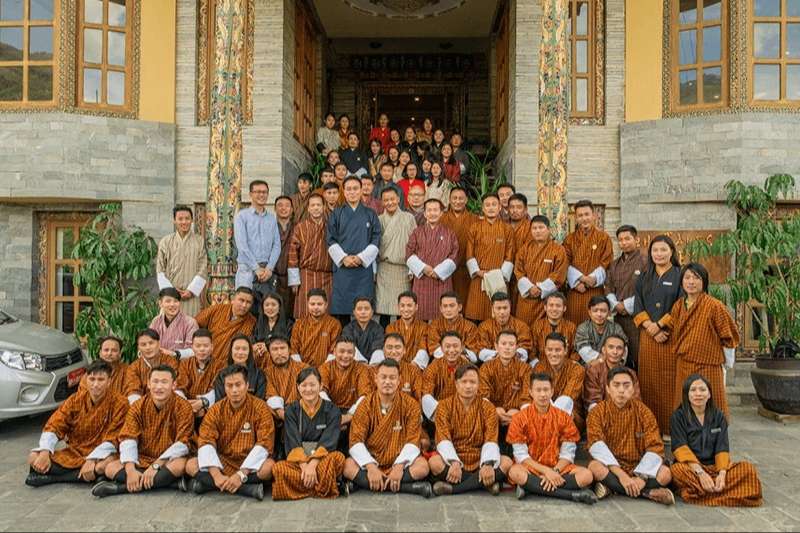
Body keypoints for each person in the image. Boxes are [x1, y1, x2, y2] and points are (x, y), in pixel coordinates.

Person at [92, 365, 193, 498]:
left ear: (173, 385)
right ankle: (170, 483)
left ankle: (120, 488)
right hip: (143, 456)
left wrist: (155, 466)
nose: (159, 387)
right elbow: (128, 438)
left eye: (164, 382)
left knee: (180, 465)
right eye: (155, 382)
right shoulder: (137, 406)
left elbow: (183, 443)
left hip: (167, 460)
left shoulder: (183, 407)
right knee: (110, 468)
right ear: (148, 384)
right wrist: (130, 470)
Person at [26, 360, 128, 487]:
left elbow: (114, 439)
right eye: (92, 379)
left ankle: (53, 478)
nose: (96, 384)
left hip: (103, 454)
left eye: (101, 380)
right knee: (33, 457)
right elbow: (55, 424)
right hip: (75, 452)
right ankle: (89, 477)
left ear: (109, 381)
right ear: (86, 379)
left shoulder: (121, 403)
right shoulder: (75, 400)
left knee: (104, 466)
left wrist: (92, 459)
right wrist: (45, 451)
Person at [343, 359, 433, 498]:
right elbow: (356, 440)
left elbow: (413, 440)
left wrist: (399, 466)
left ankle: (364, 484)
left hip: (399, 458)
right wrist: (371, 467)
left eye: (392, 378)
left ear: (399, 380)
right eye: (383, 377)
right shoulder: (365, 405)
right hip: (372, 458)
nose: (387, 382)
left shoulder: (411, 405)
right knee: (347, 465)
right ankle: (408, 488)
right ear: (376, 379)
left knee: (422, 466)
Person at [670, 374, 762, 507]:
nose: (698, 394)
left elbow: (722, 447)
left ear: (709, 394)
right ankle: (727, 494)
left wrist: (722, 474)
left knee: (748, 470)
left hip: (715, 467)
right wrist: (701, 473)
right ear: (687, 395)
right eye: (693, 390)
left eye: (702, 390)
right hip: (691, 468)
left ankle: (702, 493)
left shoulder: (718, 416)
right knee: (677, 471)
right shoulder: (678, 417)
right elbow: (680, 448)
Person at [586, 367, 675, 505]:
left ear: (633, 389)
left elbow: (655, 447)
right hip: (612, 468)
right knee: (595, 467)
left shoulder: (644, 412)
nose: (621, 390)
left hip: (639, 466)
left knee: (666, 474)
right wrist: (622, 476)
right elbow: (596, 444)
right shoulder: (597, 412)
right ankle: (647, 493)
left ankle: (614, 489)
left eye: (626, 385)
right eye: (616, 385)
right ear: (608, 389)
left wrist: (642, 478)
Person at [185, 364, 275, 500]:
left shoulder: (260, 408)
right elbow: (205, 441)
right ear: (224, 387)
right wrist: (216, 475)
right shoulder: (216, 410)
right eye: (229, 385)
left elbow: (265, 443)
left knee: (269, 467)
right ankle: (246, 489)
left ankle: (209, 485)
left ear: (247, 385)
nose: (234, 390)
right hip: (223, 460)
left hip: (249, 462)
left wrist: (241, 474)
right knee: (190, 465)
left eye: (238, 385)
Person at [507, 373, 597, 504]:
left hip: (558, 467)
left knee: (586, 476)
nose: (543, 394)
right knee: (514, 472)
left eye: (546, 390)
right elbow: (521, 456)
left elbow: (567, 454)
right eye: (538, 390)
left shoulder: (563, 417)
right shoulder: (519, 418)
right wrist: (546, 472)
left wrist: (554, 471)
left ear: (552, 391)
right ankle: (570, 495)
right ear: (531, 392)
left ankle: (531, 487)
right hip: (531, 467)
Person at [667, 263, 739, 418]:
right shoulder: (678, 306)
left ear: (704, 282)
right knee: (684, 403)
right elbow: (673, 331)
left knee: (712, 404)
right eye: (687, 278)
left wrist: (727, 363)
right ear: (681, 282)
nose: (691, 282)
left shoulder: (715, 306)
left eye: (696, 278)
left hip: (708, 365)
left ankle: (716, 432)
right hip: (684, 364)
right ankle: (684, 432)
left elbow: (728, 336)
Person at [429, 364, 511, 496]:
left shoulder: (488, 407)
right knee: (434, 463)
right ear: (456, 384)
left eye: (472, 382)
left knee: (507, 462)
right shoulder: (444, 406)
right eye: (464, 382)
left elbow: (491, 438)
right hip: (455, 455)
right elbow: (443, 438)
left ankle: (454, 489)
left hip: (479, 457)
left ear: (478, 385)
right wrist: (454, 462)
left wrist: (487, 464)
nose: (468, 386)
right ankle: (486, 484)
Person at [272, 367, 347, 500]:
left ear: (320, 386)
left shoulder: (332, 410)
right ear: (298, 387)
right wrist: (305, 466)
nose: (308, 389)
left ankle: (304, 487)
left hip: (322, 460)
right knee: (278, 469)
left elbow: (329, 440)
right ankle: (326, 486)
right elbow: (292, 440)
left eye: (312, 385)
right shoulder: (291, 410)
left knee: (337, 458)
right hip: (300, 462)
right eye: (304, 385)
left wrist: (313, 464)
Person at [634, 235, 683, 433]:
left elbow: (681, 306)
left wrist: (661, 325)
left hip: (670, 337)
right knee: (648, 383)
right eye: (655, 250)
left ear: (672, 252)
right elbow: (638, 304)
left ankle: (671, 429)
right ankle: (650, 429)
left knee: (670, 383)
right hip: (648, 338)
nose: (659, 254)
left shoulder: (680, 275)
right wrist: (650, 327)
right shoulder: (644, 276)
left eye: (663, 250)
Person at [327, 176, 382, 323]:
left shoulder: (370, 214)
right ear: (344, 192)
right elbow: (330, 239)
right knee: (343, 311)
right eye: (349, 189)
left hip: (363, 269)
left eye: (355, 188)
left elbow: (376, 238)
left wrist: (361, 258)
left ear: (361, 190)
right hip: (343, 269)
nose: (352, 192)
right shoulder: (336, 213)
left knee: (364, 309)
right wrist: (343, 258)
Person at [405, 198, 459, 321]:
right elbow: (409, 252)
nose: (432, 213)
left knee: (442, 315)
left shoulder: (449, 233)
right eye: (429, 210)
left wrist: (439, 271)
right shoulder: (417, 232)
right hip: (422, 279)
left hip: (442, 279)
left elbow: (455, 254)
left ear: (441, 213)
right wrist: (424, 268)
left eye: (435, 210)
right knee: (420, 313)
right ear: (424, 213)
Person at [465, 194, 515, 322]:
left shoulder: (507, 229)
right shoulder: (474, 228)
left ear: (500, 207)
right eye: (487, 205)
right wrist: (477, 271)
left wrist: (500, 274)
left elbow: (510, 255)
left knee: (499, 314)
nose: (491, 208)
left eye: (494, 204)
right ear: (482, 208)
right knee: (476, 313)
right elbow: (469, 254)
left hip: (499, 278)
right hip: (479, 277)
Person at [563, 199, 613, 325]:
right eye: (580, 215)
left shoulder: (604, 238)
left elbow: (606, 261)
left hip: (595, 289)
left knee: (596, 323)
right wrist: (578, 280)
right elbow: (564, 262)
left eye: (587, 214)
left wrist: (592, 279)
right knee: (573, 324)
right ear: (576, 218)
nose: (584, 218)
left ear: (594, 216)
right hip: (576, 290)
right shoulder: (569, 239)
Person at [319, 337, 373, 451]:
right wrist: (334, 415)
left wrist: (349, 416)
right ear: (334, 352)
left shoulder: (361, 369)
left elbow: (365, 395)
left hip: (354, 411)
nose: (345, 356)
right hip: (329, 410)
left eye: (349, 352)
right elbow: (321, 391)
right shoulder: (325, 367)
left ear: (354, 353)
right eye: (342, 351)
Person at [478, 331, 532, 446]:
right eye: (503, 344)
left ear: (517, 347)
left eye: (511, 344)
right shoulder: (486, 367)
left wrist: (518, 413)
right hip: (493, 411)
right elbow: (483, 394)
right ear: (496, 346)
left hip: (516, 411)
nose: (507, 348)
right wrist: (494, 411)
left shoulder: (525, 368)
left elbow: (526, 396)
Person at [605, 225, 647, 370]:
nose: (624, 243)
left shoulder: (645, 261)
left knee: (638, 356)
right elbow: (608, 286)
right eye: (621, 240)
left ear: (636, 239)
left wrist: (626, 305)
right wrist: (616, 305)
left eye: (627, 239)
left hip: (638, 317)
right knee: (620, 353)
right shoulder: (614, 264)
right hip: (619, 317)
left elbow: (647, 290)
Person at [514, 215, 568, 324]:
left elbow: (559, 274)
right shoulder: (524, 249)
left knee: (545, 328)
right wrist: (530, 288)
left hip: (547, 300)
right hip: (526, 298)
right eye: (534, 228)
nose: (537, 231)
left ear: (549, 229)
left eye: (541, 227)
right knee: (523, 328)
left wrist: (540, 288)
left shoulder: (558, 250)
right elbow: (518, 271)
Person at [287, 194, 333, 318]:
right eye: (313, 205)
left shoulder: (331, 227)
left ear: (324, 207)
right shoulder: (300, 227)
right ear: (308, 208)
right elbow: (292, 253)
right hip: (306, 275)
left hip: (327, 276)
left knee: (326, 313)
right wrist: (294, 281)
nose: (316, 208)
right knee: (304, 312)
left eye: (318, 205)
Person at [156, 205, 207, 317]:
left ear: (192, 220)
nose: (184, 222)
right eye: (180, 219)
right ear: (174, 221)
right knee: (168, 326)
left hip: (191, 298)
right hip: (170, 297)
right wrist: (171, 291)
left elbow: (203, 269)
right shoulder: (165, 242)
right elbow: (160, 270)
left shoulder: (199, 241)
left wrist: (191, 291)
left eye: (187, 218)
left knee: (191, 325)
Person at [375, 187, 417, 322]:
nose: (389, 202)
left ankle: (402, 333)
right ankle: (384, 334)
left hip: (402, 269)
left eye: (392, 199)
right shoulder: (379, 220)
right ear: (382, 202)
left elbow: (415, 245)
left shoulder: (408, 218)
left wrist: (412, 269)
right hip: (384, 268)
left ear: (398, 199)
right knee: (384, 309)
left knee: (402, 308)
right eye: (386, 200)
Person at [233, 180, 281, 291]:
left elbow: (277, 245)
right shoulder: (242, 217)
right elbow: (242, 246)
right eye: (258, 192)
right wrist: (256, 268)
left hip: (267, 272)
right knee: (245, 301)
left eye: (264, 192)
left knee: (267, 302)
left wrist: (270, 268)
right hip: (247, 270)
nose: (262, 195)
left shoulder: (272, 218)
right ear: (250, 194)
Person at [195, 287, 256, 373]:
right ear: (233, 299)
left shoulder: (252, 322)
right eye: (241, 300)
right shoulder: (217, 309)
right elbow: (195, 323)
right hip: (206, 359)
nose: (244, 305)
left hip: (230, 367)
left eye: (248, 302)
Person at [531, 333, 585, 430]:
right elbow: (539, 394)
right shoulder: (539, 367)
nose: (554, 354)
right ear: (545, 350)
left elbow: (568, 397)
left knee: (567, 409)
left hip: (570, 413)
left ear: (565, 351)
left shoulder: (576, 369)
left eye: (558, 350)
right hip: (543, 409)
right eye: (550, 350)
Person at [421, 331, 471, 422]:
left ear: (462, 348)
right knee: (426, 398)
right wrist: (444, 411)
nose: (451, 350)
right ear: (441, 348)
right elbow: (427, 392)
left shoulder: (469, 367)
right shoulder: (433, 367)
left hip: (463, 412)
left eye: (455, 346)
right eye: (447, 346)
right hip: (440, 413)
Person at [583, 334, 640, 413]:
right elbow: (592, 400)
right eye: (611, 347)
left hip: (626, 413)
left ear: (624, 353)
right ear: (604, 350)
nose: (615, 352)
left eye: (619, 348)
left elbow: (636, 399)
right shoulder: (594, 370)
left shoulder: (631, 373)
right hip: (600, 413)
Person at [440, 187, 478, 304]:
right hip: (445, 270)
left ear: (466, 200)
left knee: (465, 302)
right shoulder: (441, 218)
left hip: (466, 270)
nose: (457, 201)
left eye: (461, 198)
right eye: (454, 198)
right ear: (449, 200)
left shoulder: (475, 219)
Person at [124, 329, 179, 405]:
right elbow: (133, 390)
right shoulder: (134, 367)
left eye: (151, 343)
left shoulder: (170, 361)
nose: (148, 347)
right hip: (142, 405)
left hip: (169, 403)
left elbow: (176, 386)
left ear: (159, 344)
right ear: (138, 347)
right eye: (143, 345)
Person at [290, 288, 342, 367]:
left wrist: (325, 369)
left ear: (326, 305)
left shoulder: (334, 324)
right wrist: (301, 368)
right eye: (312, 304)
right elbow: (294, 348)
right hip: (302, 368)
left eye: (319, 304)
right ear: (307, 304)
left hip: (327, 368)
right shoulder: (299, 324)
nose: (316, 307)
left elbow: (334, 349)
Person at [476, 292, 533, 362]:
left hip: (515, 363)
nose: (502, 312)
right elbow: (480, 350)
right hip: (491, 364)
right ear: (492, 309)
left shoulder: (522, 326)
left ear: (510, 308)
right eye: (498, 308)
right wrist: (499, 355)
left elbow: (525, 348)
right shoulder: (484, 327)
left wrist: (510, 355)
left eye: (505, 308)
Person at [382, 291, 431, 369]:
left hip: (416, 368)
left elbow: (423, 349)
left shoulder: (425, 327)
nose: (406, 309)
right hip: (395, 367)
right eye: (402, 305)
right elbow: (391, 350)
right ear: (398, 307)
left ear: (416, 307)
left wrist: (411, 368)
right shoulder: (391, 327)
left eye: (409, 305)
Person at [263, 335, 307, 422]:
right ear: (269, 353)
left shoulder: (303, 368)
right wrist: (287, 418)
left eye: (282, 348)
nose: (279, 353)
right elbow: (271, 397)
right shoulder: (266, 373)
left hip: (303, 415)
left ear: (289, 350)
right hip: (279, 417)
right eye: (275, 349)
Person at [211, 334, 267, 403]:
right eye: (237, 348)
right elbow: (219, 401)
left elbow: (260, 402)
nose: (240, 352)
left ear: (249, 352)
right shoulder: (222, 375)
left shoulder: (259, 375)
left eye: (244, 349)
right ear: (231, 351)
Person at [427, 292, 480, 362]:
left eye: (452, 306)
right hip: (441, 361)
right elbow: (434, 348)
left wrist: (460, 355)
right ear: (441, 309)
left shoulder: (470, 327)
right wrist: (454, 356)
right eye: (445, 306)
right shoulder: (434, 325)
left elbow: (474, 354)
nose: (448, 310)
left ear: (459, 307)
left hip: (463, 362)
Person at [574, 296, 628, 366]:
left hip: (613, 366)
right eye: (595, 311)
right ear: (589, 312)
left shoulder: (616, 328)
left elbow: (624, 348)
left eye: (603, 311)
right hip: (589, 366)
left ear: (609, 313)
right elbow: (583, 350)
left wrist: (616, 362)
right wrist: (603, 360)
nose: (599, 314)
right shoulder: (583, 328)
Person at [176, 329, 217, 419]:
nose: (202, 349)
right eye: (198, 346)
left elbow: (217, 391)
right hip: (186, 407)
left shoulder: (219, 365)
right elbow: (180, 387)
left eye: (206, 346)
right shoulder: (185, 363)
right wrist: (187, 405)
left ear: (212, 347)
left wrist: (202, 404)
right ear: (192, 347)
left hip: (210, 409)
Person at [368, 333, 423, 400]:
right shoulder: (373, 371)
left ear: (404, 350)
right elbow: (368, 400)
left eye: (397, 347)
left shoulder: (414, 372)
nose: (393, 352)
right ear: (383, 350)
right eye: (389, 347)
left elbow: (418, 399)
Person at [149, 287, 198, 359]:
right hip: (158, 361)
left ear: (180, 303)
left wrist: (174, 354)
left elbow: (194, 350)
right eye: (168, 301)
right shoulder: (156, 321)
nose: (172, 304)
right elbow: (149, 341)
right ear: (160, 303)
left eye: (176, 301)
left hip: (181, 363)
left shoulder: (190, 322)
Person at [530, 292, 578, 362]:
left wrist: (569, 365)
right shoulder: (537, 326)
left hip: (565, 366)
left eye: (558, 306)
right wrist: (537, 365)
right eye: (551, 305)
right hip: (541, 365)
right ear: (545, 307)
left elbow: (575, 351)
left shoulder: (571, 327)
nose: (554, 309)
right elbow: (532, 350)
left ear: (564, 308)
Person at [252, 291, 294, 365]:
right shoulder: (258, 323)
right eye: (267, 305)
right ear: (263, 308)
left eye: (273, 305)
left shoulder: (288, 324)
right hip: (260, 361)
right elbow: (253, 339)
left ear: (279, 307)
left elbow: (290, 345)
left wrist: (268, 346)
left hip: (280, 361)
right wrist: (255, 346)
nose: (270, 308)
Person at [341, 298, 384, 363]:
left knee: (379, 352)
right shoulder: (348, 329)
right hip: (354, 363)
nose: (363, 312)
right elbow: (349, 348)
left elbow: (377, 348)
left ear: (372, 312)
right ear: (354, 312)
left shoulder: (378, 329)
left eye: (366, 309)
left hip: (373, 363)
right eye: (359, 309)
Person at [273, 195, 296, 316]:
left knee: (290, 310)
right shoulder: (269, 227)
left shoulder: (297, 227)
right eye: (280, 205)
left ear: (292, 209)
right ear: (275, 209)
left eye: (287, 206)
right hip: (273, 275)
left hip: (291, 275)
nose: (283, 208)